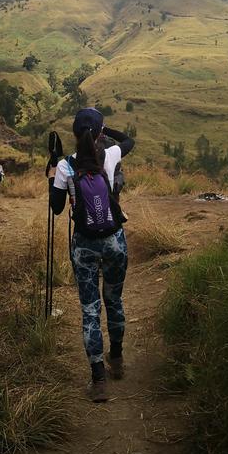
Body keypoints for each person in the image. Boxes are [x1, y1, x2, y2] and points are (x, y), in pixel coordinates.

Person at [48, 108, 135, 402]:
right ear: (98, 132)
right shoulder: (109, 155)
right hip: (113, 240)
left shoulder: (64, 166)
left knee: (90, 311)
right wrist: (106, 131)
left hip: (83, 245)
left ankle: (98, 380)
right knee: (114, 300)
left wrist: (53, 178)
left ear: (73, 133)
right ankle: (118, 358)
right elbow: (129, 141)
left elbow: (57, 209)